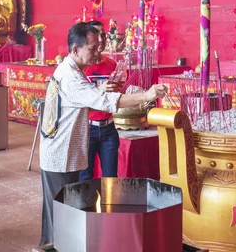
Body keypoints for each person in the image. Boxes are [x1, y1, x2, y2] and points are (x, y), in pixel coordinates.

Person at [38, 22, 166, 246]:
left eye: (100, 46)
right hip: (59, 155)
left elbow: (92, 98)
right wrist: (146, 95)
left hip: (65, 153)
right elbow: (105, 102)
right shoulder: (70, 76)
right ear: (76, 49)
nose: (99, 51)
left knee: (60, 212)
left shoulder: (73, 70)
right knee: (57, 218)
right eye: (93, 47)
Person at [79, 20, 120, 181]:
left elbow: (115, 96)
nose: (101, 39)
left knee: (111, 177)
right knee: (85, 175)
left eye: (103, 35)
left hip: (109, 128)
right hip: (87, 128)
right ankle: (85, 207)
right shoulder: (80, 68)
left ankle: (109, 206)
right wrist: (99, 90)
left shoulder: (112, 65)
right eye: (96, 35)